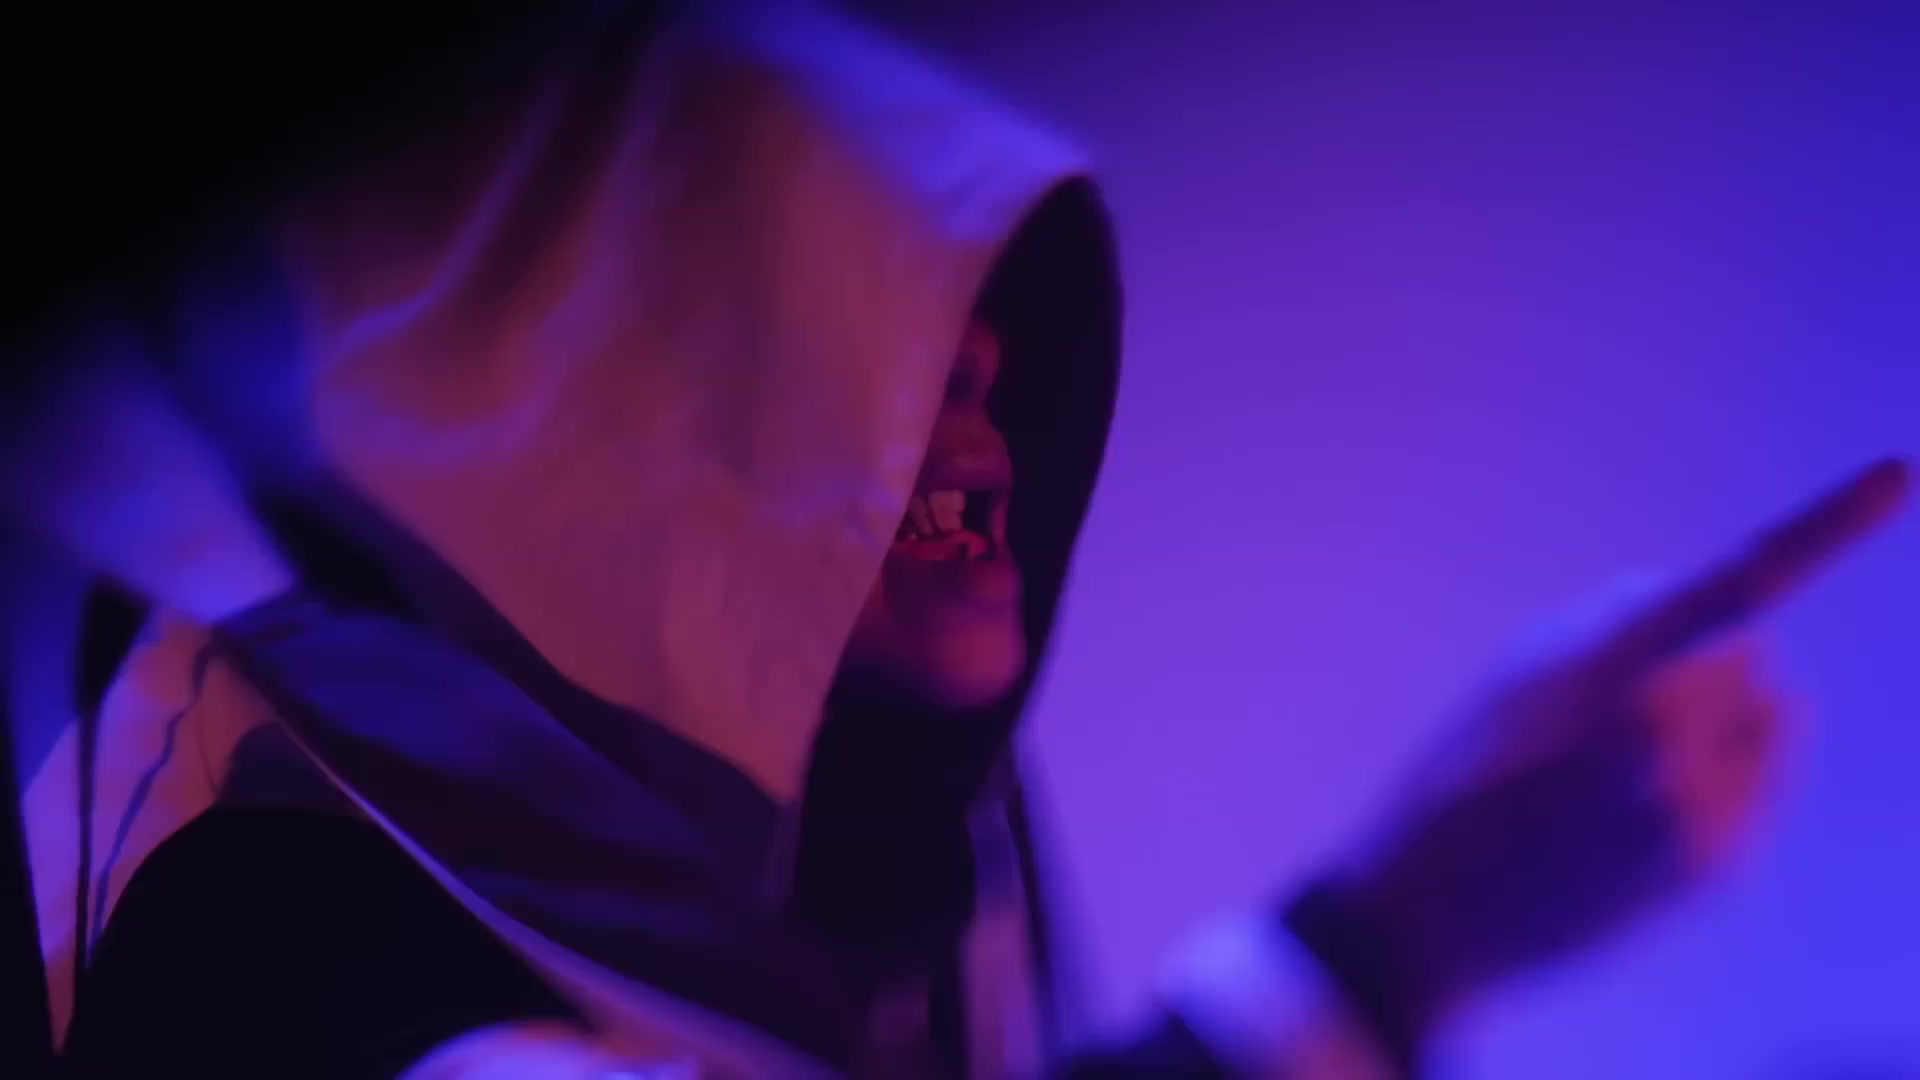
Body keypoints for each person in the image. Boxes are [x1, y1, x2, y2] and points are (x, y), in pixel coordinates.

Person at [5, 2, 1910, 1076]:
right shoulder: (259, 883)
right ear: (548, 395)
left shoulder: (918, 881)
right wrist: (1399, 933)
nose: (976, 388)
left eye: (994, 337)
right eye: (857, 320)